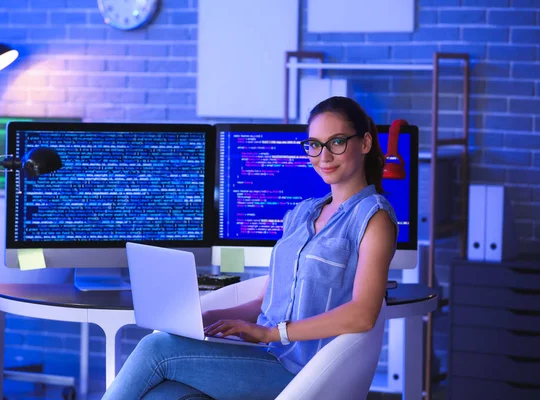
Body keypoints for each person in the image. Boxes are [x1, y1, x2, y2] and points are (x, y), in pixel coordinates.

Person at [102, 96, 398, 400]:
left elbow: (363, 314)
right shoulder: (302, 214)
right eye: (314, 144)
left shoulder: (374, 219)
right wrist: (208, 317)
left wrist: (272, 333)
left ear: (364, 143)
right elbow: (268, 299)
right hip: (262, 355)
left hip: (303, 372)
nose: (323, 155)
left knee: (155, 348)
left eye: (336, 142)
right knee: (161, 394)